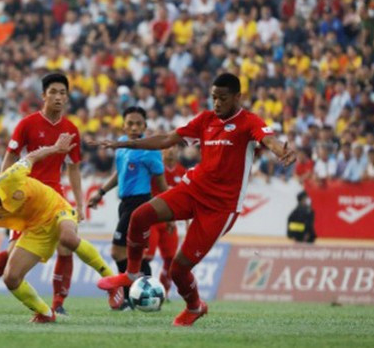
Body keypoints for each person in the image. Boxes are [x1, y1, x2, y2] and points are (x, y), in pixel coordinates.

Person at [89, 73, 296, 327]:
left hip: (221, 208)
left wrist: (281, 151)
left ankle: (195, 306)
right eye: (214, 97)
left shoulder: (249, 122)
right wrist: (126, 144)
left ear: (237, 97)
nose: (217, 103)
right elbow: (167, 139)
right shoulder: (205, 119)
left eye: (223, 98)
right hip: (192, 189)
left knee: (178, 269)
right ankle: (132, 274)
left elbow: (269, 139)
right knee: (140, 215)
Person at [0, 133, 123, 324]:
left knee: (67, 238)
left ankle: (111, 281)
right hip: (35, 230)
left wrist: (56, 148)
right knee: (11, 278)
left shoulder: (9, 177)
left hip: (56, 208)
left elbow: (31, 156)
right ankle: (45, 313)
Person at [0, 72, 83, 316]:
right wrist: (1, 191)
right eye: (53, 92)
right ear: (43, 96)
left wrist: (80, 205)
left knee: (66, 244)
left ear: (67, 97)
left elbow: (73, 168)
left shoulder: (71, 130)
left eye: (62, 93)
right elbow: (10, 156)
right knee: (12, 254)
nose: (58, 97)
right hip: (24, 196)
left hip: (54, 196)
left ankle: (58, 303)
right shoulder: (27, 124)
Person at [87, 106, 170, 309]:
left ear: (145, 126)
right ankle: (146, 295)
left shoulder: (150, 150)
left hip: (139, 204)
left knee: (117, 251)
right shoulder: (122, 145)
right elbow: (119, 173)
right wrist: (101, 192)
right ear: (123, 125)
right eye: (130, 123)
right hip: (124, 204)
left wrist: (170, 213)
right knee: (134, 253)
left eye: (138, 124)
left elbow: (161, 184)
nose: (134, 127)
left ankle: (127, 297)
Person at [144, 146, 186, 294]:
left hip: (170, 221)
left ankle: (164, 291)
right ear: (162, 151)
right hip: (153, 220)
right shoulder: (155, 169)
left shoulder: (182, 171)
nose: (171, 151)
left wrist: (187, 223)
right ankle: (140, 288)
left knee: (171, 259)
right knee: (147, 257)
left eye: (174, 148)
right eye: (167, 148)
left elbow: (186, 198)